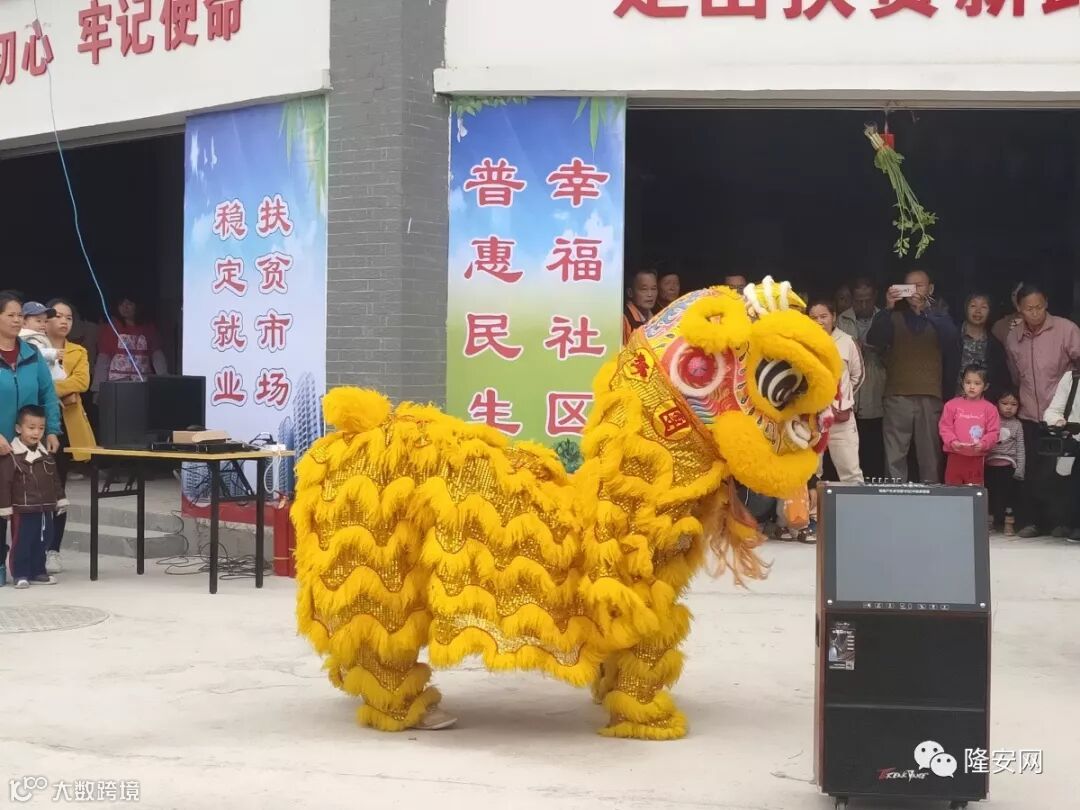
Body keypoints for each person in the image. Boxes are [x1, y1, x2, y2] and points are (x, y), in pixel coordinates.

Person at [867, 270, 959, 483]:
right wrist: (888, 307)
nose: (915, 291)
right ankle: (895, 497)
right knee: (894, 455)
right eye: (909, 286)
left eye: (920, 286)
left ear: (931, 289)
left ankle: (931, 498)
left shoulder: (940, 317)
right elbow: (875, 339)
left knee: (930, 455)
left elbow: (952, 338)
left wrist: (926, 310)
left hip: (930, 395)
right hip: (897, 395)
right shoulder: (894, 317)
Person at [1004, 283, 1080, 538]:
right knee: (1032, 471)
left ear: (1046, 303)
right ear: (1019, 308)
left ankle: (1061, 522)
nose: (1034, 312)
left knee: (1061, 471)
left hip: (1061, 417)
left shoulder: (1066, 329)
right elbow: (1015, 375)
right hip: (1028, 414)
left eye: (1038, 307)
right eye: (1029, 309)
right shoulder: (1013, 337)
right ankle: (1033, 522)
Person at [0, 292, 61, 583]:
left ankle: (30, 566)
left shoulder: (32, 354)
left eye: (19, 316)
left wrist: (52, 430)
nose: (16, 320)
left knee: (29, 511)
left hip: (26, 448)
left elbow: (48, 394)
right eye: (10, 315)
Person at [45, 298, 96, 574]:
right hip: (34, 425)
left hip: (65, 426)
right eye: (58, 316)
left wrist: (46, 388)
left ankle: (53, 549)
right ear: (45, 319)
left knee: (58, 488)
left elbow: (82, 382)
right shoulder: (33, 347)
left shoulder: (78, 351)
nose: (64, 321)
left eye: (69, 317)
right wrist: (63, 390)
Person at [0, 405, 65, 588]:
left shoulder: (46, 455)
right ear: (18, 428)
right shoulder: (12, 456)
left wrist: (60, 499)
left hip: (45, 507)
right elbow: (4, 483)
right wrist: (5, 507)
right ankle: (20, 573)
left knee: (44, 538)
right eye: (31, 427)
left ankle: (38, 571)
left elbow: (55, 479)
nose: (36, 432)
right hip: (23, 508)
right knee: (23, 541)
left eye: (41, 428)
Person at [809, 300, 864, 483]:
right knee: (811, 472)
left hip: (841, 417)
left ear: (833, 317)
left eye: (823, 316)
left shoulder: (847, 341)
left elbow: (857, 375)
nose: (819, 321)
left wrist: (843, 397)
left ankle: (854, 503)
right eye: (813, 317)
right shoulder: (803, 342)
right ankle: (813, 504)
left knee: (850, 471)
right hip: (811, 418)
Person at [838, 278, 885, 480]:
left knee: (873, 451)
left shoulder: (884, 317)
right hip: (849, 397)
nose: (863, 305)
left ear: (875, 296)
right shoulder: (841, 320)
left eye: (868, 300)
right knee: (847, 453)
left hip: (876, 391)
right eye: (859, 300)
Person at [939, 366, 1000, 486]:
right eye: (968, 382)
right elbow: (945, 427)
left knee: (974, 491)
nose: (972, 387)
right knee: (952, 489)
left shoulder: (990, 409)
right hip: (955, 456)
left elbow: (994, 432)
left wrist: (984, 444)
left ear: (985, 386)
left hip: (976, 458)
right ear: (962, 383)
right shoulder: (951, 405)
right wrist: (952, 441)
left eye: (977, 383)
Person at [1041, 365, 1080, 542]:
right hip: (1074, 440)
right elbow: (1053, 411)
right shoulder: (1072, 377)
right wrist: (1058, 421)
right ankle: (1072, 523)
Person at [94, 296, 168, 387]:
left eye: (129, 303)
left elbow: (157, 357)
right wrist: (97, 387)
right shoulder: (112, 328)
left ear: (137, 306)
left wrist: (164, 381)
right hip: (117, 384)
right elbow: (103, 359)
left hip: (142, 383)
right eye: (121, 304)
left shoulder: (148, 328)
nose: (125, 307)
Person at [952, 293, 1010, 398]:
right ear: (965, 309)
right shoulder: (952, 338)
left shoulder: (995, 345)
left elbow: (1000, 379)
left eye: (983, 307)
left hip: (983, 403)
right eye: (973, 306)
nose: (978, 311)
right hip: (953, 400)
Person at [986, 390, 1025, 534]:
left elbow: (1020, 448)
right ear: (997, 404)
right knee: (990, 495)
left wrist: (1020, 469)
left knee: (1009, 496)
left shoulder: (1017, 425)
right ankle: (989, 522)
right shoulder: (991, 420)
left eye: (1013, 404)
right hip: (989, 465)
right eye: (1004, 403)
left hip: (1009, 466)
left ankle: (1009, 523)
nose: (1009, 407)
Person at [19, 301, 64, 381]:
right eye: (38, 321)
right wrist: (53, 353)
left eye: (45, 321)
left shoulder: (37, 336)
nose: (43, 324)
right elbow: (36, 352)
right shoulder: (28, 338)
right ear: (24, 323)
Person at [622, 269, 658, 344]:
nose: (650, 294)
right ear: (630, 292)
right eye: (644, 289)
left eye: (653, 289)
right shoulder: (624, 319)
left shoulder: (657, 316)